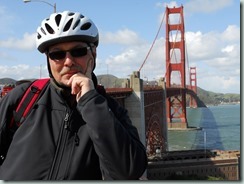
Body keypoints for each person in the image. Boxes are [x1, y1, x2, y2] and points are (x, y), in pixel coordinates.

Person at [0, 11, 147, 180]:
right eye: (57, 54)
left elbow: (128, 172)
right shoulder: (23, 98)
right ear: (48, 60)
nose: (68, 61)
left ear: (93, 54)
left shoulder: (111, 111)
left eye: (78, 51)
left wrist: (91, 102)